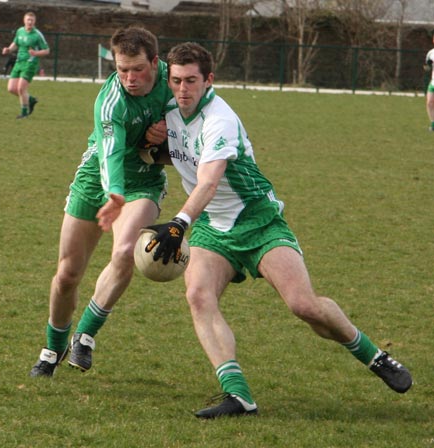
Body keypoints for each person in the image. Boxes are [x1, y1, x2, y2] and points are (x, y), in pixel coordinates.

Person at [140, 42, 412, 418]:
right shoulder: (168, 107)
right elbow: (177, 147)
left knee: (304, 306)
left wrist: (178, 223)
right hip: (215, 228)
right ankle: (239, 396)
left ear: (209, 80)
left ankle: (374, 355)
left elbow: (209, 182)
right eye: (176, 81)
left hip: (258, 220)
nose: (182, 89)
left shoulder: (219, 118)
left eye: (191, 81)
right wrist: (152, 147)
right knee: (199, 297)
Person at [29, 26, 172, 377]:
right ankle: (52, 347)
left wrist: (173, 125)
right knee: (67, 274)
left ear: (155, 62)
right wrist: (114, 193)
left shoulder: (175, 80)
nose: (129, 78)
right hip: (99, 179)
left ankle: (86, 335)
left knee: (126, 251)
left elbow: (199, 114)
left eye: (137, 69)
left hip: (143, 181)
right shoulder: (111, 101)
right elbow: (109, 153)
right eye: (122, 70)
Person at [2, 12, 49, 119]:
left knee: (20, 88)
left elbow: (47, 50)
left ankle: (24, 113)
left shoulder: (37, 34)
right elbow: (15, 44)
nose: (30, 22)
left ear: (34, 21)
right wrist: (9, 49)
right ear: (24, 20)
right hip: (19, 62)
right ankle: (31, 100)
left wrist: (36, 53)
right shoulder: (20, 31)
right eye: (28, 20)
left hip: (30, 63)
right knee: (11, 89)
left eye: (32, 20)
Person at [424, 31, 434, 131]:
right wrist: (427, 67)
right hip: (433, 82)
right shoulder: (431, 53)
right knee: (429, 103)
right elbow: (427, 65)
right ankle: (433, 124)